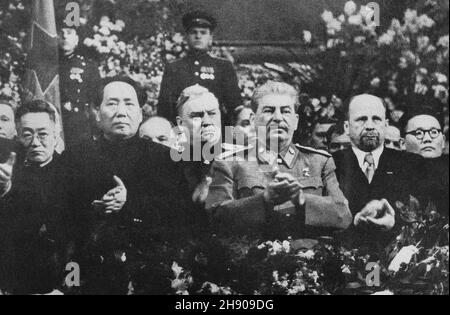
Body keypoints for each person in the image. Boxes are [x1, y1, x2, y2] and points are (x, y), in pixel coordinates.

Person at [63, 76, 189, 294]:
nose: (121, 111)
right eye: (111, 103)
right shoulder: (75, 158)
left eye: (129, 104)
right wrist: (94, 208)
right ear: (97, 113)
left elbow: (181, 216)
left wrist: (129, 204)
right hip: (90, 273)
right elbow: (61, 215)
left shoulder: (167, 159)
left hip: (149, 272)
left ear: (140, 113)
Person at [206, 81, 352, 239]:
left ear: (295, 121)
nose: (277, 118)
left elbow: (343, 216)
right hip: (252, 260)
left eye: (285, 111)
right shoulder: (230, 164)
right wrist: (264, 200)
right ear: (254, 120)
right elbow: (216, 219)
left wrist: (303, 200)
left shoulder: (320, 162)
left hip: (310, 260)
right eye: (269, 111)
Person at [0, 100, 76, 294]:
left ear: (55, 134)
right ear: (17, 136)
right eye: (27, 135)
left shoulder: (74, 173)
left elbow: (80, 238)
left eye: (42, 134)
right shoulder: (7, 172)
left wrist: (67, 289)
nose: (35, 142)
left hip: (61, 285)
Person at [332, 94, 426, 246]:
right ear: (347, 127)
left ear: (386, 125)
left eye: (376, 119)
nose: (369, 126)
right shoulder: (330, 164)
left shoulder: (412, 164)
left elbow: (423, 216)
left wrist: (395, 220)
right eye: (361, 119)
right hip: (344, 259)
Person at [158, 10, 241, 126]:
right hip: (183, 131)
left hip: (216, 130)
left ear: (210, 37)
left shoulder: (223, 67)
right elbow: (164, 109)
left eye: (203, 32)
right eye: (193, 32)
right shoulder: (173, 68)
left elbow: (234, 105)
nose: (198, 36)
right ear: (186, 36)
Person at [58, 26, 101, 149]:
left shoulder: (88, 66)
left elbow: (96, 99)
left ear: (76, 39)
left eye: (69, 33)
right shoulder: (49, 65)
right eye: (61, 33)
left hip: (78, 125)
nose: (64, 36)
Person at [402, 107, 448, 215]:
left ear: (443, 141)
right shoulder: (394, 179)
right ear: (402, 143)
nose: (427, 138)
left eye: (434, 132)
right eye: (419, 133)